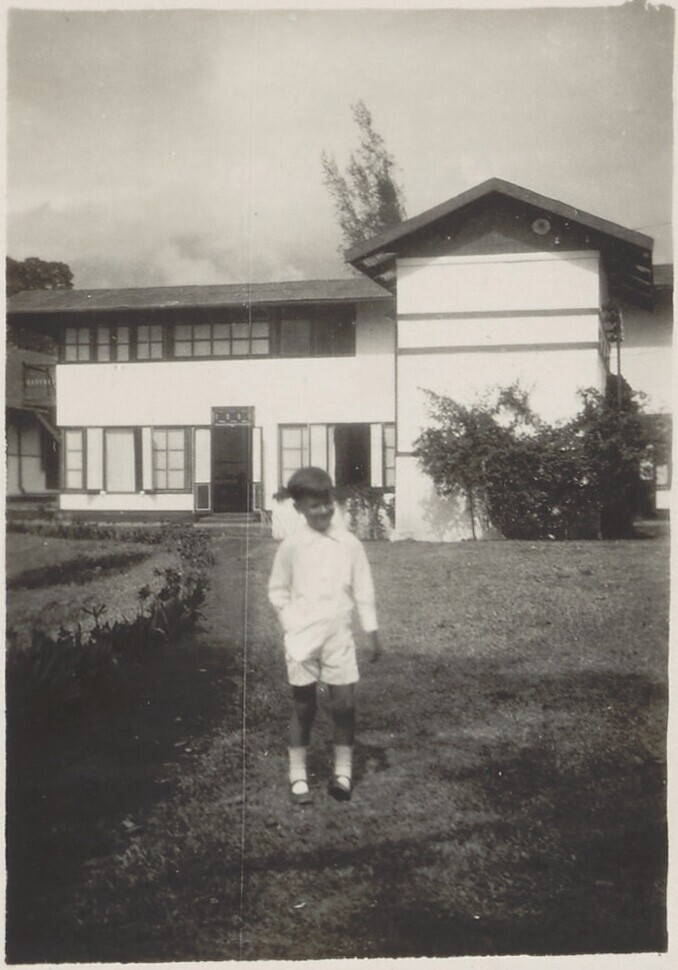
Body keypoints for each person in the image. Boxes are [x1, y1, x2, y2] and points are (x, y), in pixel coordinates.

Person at [268, 466, 381, 804]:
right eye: (314, 505)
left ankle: (342, 774)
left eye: (327, 502)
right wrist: (291, 623)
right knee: (304, 707)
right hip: (302, 638)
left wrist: (371, 630)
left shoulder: (349, 544)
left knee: (344, 704)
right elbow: (277, 590)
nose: (323, 510)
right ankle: (298, 775)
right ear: (299, 508)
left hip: (338, 636)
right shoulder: (292, 546)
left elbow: (363, 588)